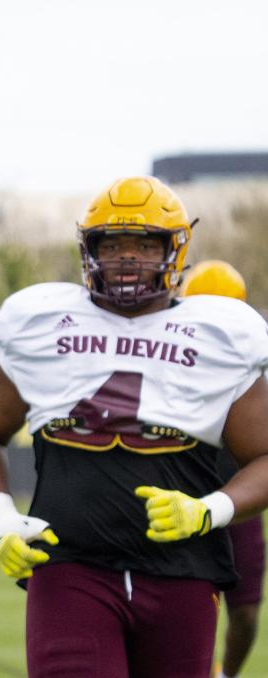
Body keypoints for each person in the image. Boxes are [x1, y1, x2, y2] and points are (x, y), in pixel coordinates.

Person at [0, 176, 268, 678]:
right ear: (88, 249)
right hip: (69, 562)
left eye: (145, 245)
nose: (127, 258)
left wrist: (210, 509)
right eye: (113, 244)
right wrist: (1, 519)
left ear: (175, 250)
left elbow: (263, 456)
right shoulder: (42, 321)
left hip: (182, 571)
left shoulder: (221, 334)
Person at [182, 260, 266, 678]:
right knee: (185, 607)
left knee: (247, 614)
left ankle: (224, 676)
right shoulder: (171, 352)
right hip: (180, 494)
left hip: (238, 494)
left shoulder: (255, 352)